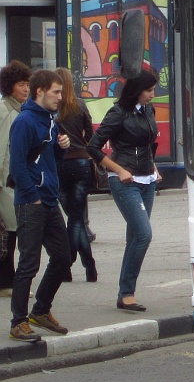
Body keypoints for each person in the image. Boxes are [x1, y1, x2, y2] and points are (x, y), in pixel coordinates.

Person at [87, 70, 161, 312]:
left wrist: (154, 167)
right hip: (125, 180)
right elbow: (93, 147)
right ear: (136, 91)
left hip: (147, 179)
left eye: (154, 90)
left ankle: (125, 293)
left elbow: (149, 145)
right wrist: (118, 170)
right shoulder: (118, 113)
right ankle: (126, 293)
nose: (153, 95)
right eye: (149, 91)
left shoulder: (149, 110)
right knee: (143, 234)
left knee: (135, 237)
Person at [8, 69, 72, 342]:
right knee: (29, 263)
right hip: (32, 201)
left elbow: (50, 160)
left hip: (49, 199)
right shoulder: (24, 121)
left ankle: (41, 310)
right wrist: (31, 194)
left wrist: (62, 147)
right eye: (56, 92)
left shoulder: (50, 120)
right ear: (40, 92)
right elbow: (18, 164)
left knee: (63, 258)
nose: (60, 97)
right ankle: (18, 321)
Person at [55, 68, 97, 283]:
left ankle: (67, 264)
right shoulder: (80, 105)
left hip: (59, 165)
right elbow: (91, 135)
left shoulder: (53, 109)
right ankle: (87, 265)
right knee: (77, 218)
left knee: (73, 217)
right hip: (81, 162)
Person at [0, 60, 32, 298]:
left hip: (13, 181)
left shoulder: (19, 110)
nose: (26, 89)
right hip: (5, 183)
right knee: (9, 233)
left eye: (28, 84)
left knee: (12, 233)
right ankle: (6, 283)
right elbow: (2, 150)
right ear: (10, 86)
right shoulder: (5, 111)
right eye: (22, 84)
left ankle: (8, 281)